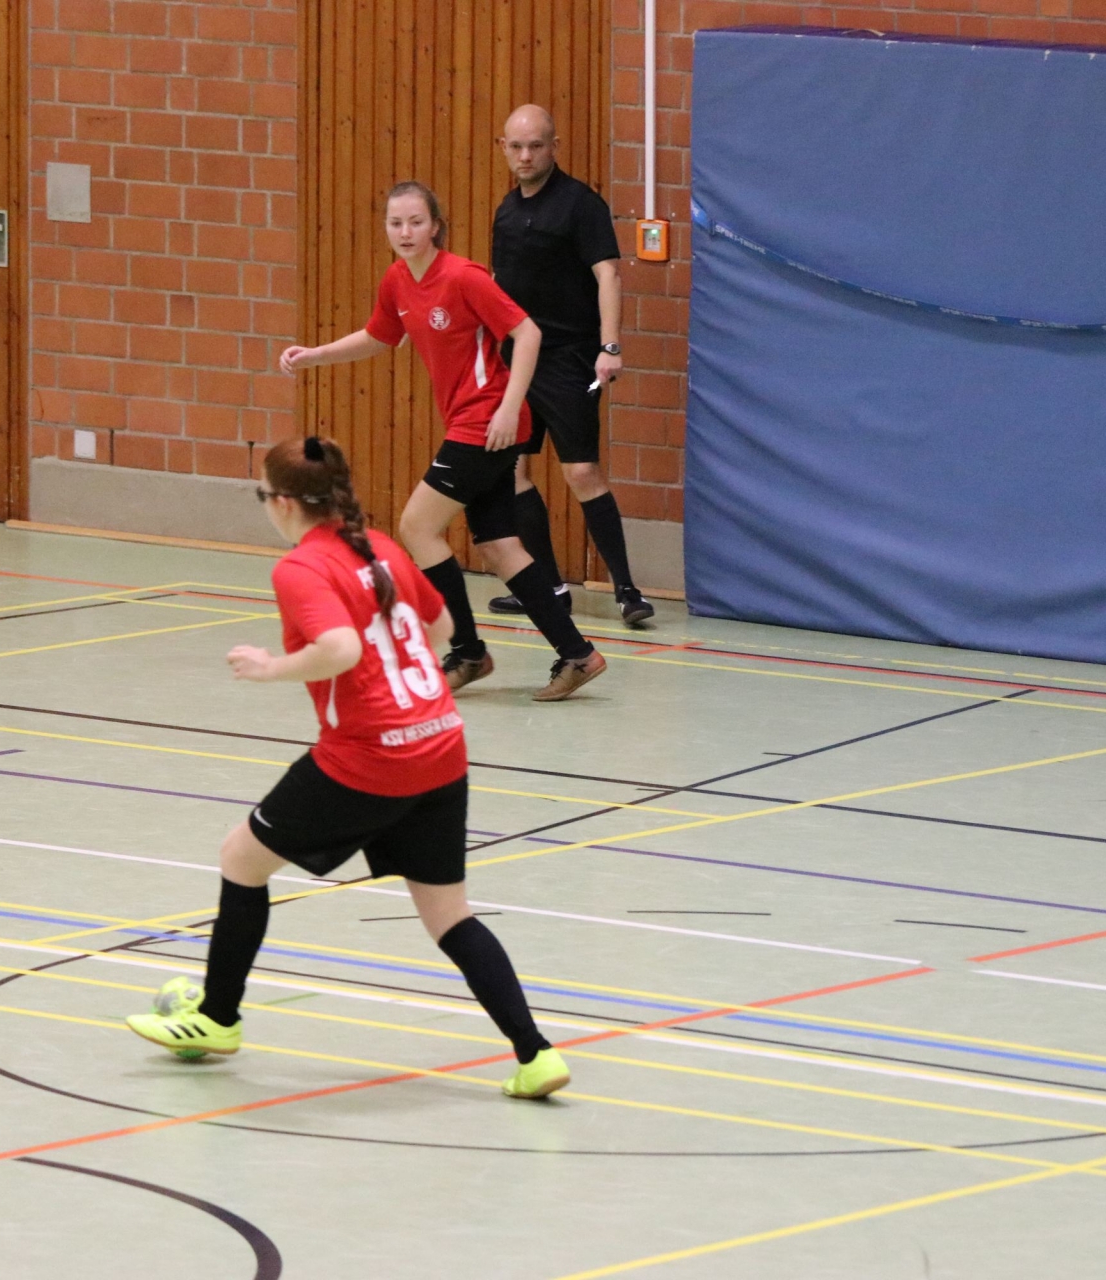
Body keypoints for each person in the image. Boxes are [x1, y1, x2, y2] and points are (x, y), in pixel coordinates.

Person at [124, 437, 571, 1100]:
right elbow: (442, 628)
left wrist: (271, 668)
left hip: (368, 756)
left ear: (283, 503)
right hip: (440, 746)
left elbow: (338, 647)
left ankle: (217, 1018)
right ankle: (537, 1055)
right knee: (449, 914)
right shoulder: (380, 547)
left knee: (241, 859)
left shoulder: (302, 568)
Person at [278, 181, 607, 702]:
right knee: (499, 546)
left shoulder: (462, 276)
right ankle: (578, 655)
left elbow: (528, 333)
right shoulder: (397, 280)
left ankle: (469, 652)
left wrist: (507, 407)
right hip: (472, 423)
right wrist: (313, 355)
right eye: (395, 223)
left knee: (417, 525)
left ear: (435, 226)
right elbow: (379, 336)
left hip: (486, 422)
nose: (405, 232)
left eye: (415, 222)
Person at [487, 104, 654, 628]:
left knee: (580, 471)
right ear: (504, 149)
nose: (525, 155)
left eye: (535, 145)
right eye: (516, 146)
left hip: (570, 357)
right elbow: (499, 287)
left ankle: (626, 590)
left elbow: (608, 275)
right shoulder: (506, 212)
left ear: (554, 147)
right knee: (512, 471)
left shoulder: (581, 205)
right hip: (519, 360)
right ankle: (550, 588)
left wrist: (610, 346)